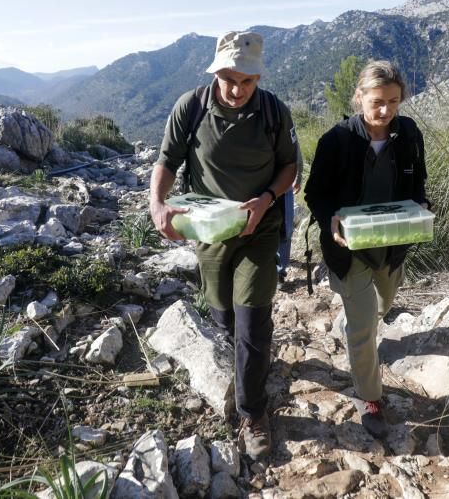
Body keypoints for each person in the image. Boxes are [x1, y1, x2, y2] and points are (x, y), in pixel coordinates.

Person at [150, 30, 297, 460]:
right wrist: (157, 204)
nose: (236, 90)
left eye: (247, 81)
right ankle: (248, 362)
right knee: (223, 315)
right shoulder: (191, 107)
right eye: (229, 79)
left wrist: (266, 199)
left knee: (252, 316)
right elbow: (167, 162)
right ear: (215, 71)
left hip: (259, 227)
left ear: (258, 79)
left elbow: (289, 167)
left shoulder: (273, 111)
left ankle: (253, 412)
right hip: (210, 230)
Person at [303, 60, 428, 438]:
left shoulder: (407, 134)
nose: (385, 110)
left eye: (393, 101)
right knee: (363, 328)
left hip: (391, 245)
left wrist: (421, 207)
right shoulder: (336, 141)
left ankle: (358, 328)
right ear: (359, 98)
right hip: (349, 249)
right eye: (377, 101)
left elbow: (417, 181)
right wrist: (332, 218)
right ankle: (369, 397)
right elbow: (314, 194)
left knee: (383, 306)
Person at [276, 144, 304, 281]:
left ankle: (279, 272)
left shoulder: (278, 121)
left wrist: (297, 176)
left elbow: (293, 147)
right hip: (253, 187)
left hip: (283, 184)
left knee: (285, 230)